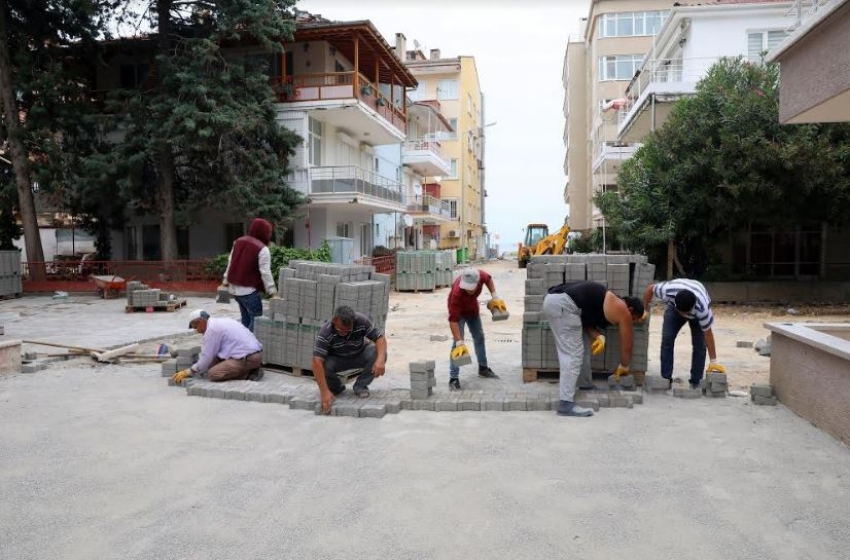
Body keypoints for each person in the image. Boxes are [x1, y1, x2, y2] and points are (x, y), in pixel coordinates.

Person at [543, 281, 645, 417]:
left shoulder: (606, 301)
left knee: (582, 346)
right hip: (563, 306)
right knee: (572, 354)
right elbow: (628, 344)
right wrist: (624, 366)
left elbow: (586, 323)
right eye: (633, 319)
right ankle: (565, 404)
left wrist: (598, 336)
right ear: (630, 310)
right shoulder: (622, 309)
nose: (631, 322)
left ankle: (585, 384)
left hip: (558, 303)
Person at [643, 279, 725, 389]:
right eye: (682, 312)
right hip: (673, 309)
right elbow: (650, 289)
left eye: (685, 313)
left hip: (696, 313)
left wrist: (713, 361)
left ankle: (696, 381)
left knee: (700, 345)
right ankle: (666, 379)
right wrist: (645, 311)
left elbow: (708, 334)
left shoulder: (702, 309)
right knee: (667, 339)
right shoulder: (668, 291)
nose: (684, 315)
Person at [313, 305, 387, 414]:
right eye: (341, 330)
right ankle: (336, 388)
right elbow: (316, 361)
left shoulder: (361, 320)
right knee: (324, 365)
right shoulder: (325, 331)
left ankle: (360, 386)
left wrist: (380, 360)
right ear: (334, 321)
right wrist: (324, 392)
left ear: (353, 321)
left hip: (360, 354)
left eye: (348, 330)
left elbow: (380, 338)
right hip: (338, 359)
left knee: (379, 353)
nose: (345, 333)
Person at [447, 267, 505, 391]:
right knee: (457, 345)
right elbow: (453, 321)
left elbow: (489, 279)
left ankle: (483, 369)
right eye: (466, 287)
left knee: (479, 337)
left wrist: (494, 296)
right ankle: (453, 378)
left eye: (471, 288)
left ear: (477, 282)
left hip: (472, 309)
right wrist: (459, 341)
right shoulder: (457, 293)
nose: (468, 290)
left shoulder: (480, 275)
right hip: (459, 313)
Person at [172, 309, 264, 384]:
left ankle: (250, 373)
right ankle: (249, 367)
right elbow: (210, 355)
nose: (196, 330)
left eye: (195, 327)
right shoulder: (219, 322)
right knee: (211, 364)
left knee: (213, 374)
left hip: (248, 358)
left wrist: (188, 371)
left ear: (200, 322)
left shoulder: (211, 330)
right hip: (253, 354)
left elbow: (206, 358)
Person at [223, 217, 276, 332]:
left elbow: (231, 261)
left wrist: (225, 279)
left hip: (236, 291)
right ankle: (249, 346)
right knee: (256, 324)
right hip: (249, 292)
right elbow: (265, 273)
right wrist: (272, 292)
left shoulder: (238, 242)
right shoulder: (263, 249)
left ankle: (242, 346)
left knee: (245, 321)